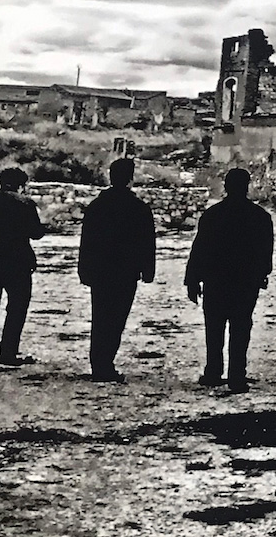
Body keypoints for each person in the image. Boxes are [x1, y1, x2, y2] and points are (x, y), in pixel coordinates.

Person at [184, 168, 274, 394]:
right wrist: (262, 274)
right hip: (246, 281)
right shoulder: (261, 217)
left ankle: (214, 371)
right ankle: (237, 375)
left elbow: (199, 249)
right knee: (241, 326)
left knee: (214, 326)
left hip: (216, 280)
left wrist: (192, 279)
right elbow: (266, 252)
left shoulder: (213, 215)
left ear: (226, 187)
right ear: (247, 187)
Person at [78, 158, 156, 383]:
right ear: (131, 178)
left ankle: (98, 363)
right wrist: (148, 270)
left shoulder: (97, 206)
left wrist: (84, 269)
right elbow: (147, 242)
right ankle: (106, 363)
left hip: (100, 271)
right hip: (126, 272)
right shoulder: (139, 208)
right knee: (117, 318)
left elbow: (87, 241)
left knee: (100, 316)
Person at [0, 168, 46, 367]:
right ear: (21, 185)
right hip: (18, 262)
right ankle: (8, 352)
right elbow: (36, 233)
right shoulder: (26, 204)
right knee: (17, 308)